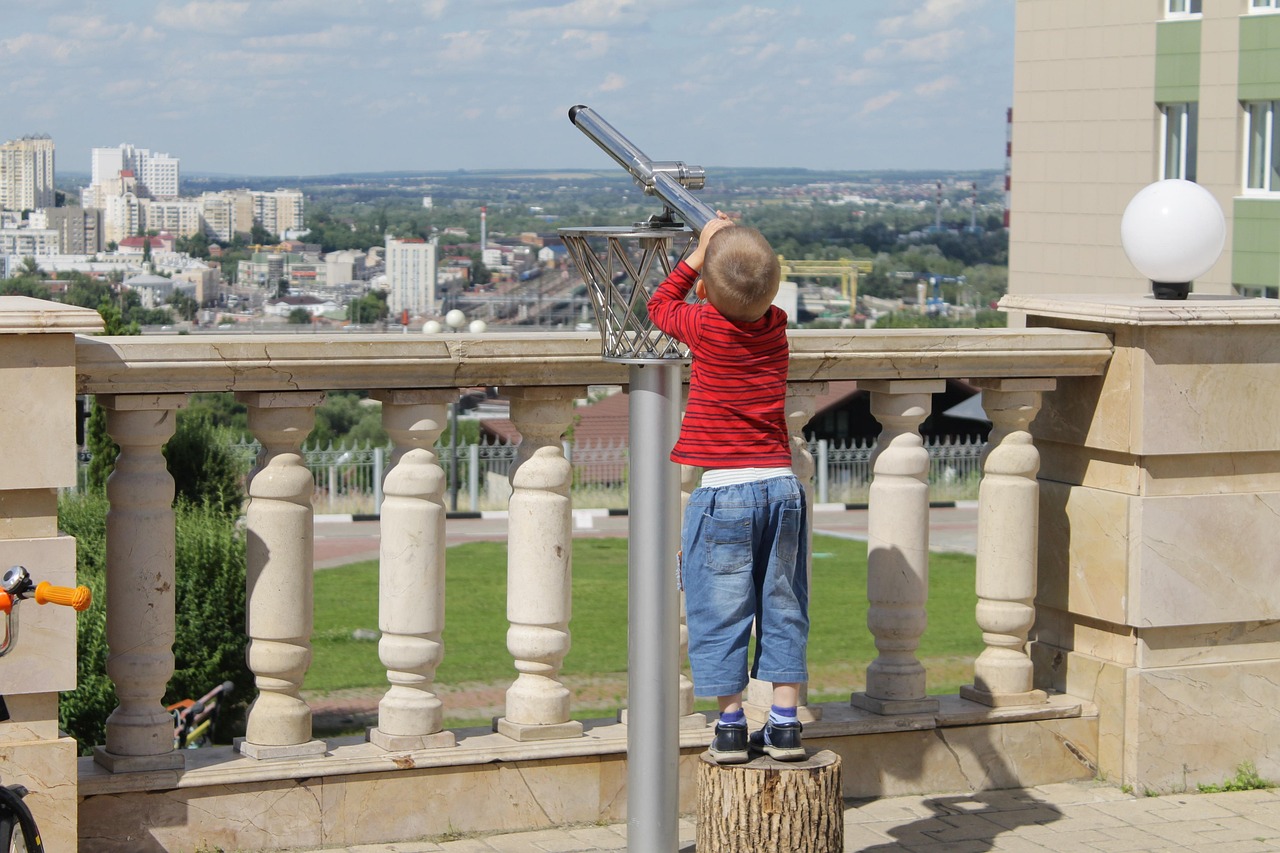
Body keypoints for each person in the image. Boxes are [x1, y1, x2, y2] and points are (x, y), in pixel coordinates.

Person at [648, 211, 809, 764]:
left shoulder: (706, 326)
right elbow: (751, 292)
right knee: (783, 605)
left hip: (725, 494)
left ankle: (731, 725)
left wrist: (700, 249)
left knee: (720, 609)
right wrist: (729, 250)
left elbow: (659, 305)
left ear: (709, 292)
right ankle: (785, 724)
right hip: (782, 488)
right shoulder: (777, 325)